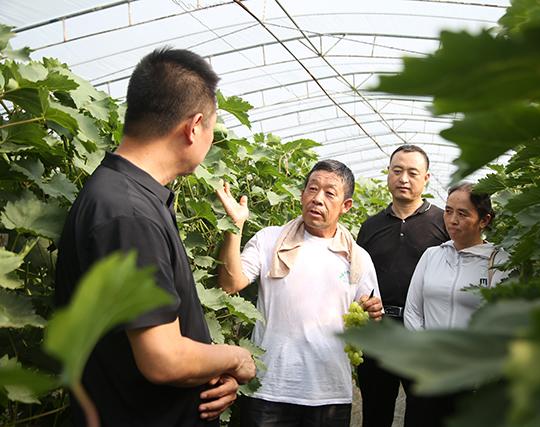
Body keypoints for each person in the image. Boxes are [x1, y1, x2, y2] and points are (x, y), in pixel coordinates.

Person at [55, 48, 256, 427]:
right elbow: (163, 359)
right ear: (194, 127)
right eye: (213, 127)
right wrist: (235, 358)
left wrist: (209, 374)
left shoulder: (125, 196)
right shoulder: (128, 214)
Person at [216, 159, 383, 427]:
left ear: (346, 206)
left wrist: (373, 315)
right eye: (312, 189)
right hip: (268, 388)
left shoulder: (357, 258)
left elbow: (366, 320)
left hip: (329, 394)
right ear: (302, 194)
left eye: (330, 193)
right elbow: (230, 283)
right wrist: (234, 228)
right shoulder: (269, 239)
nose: (318, 199)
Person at [356, 144, 449, 427]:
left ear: (426, 178)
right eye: (397, 171)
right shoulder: (371, 227)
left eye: (412, 172)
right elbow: (356, 277)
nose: (403, 179)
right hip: (378, 332)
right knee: (375, 412)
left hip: (421, 335)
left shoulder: (443, 222)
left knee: (424, 413)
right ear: (388, 174)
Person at [403, 182, 510, 427]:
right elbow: (412, 311)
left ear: (484, 220)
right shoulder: (432, 256)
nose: (452, 220)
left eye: (463, 214)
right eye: (448, 210)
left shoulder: (500, 263)